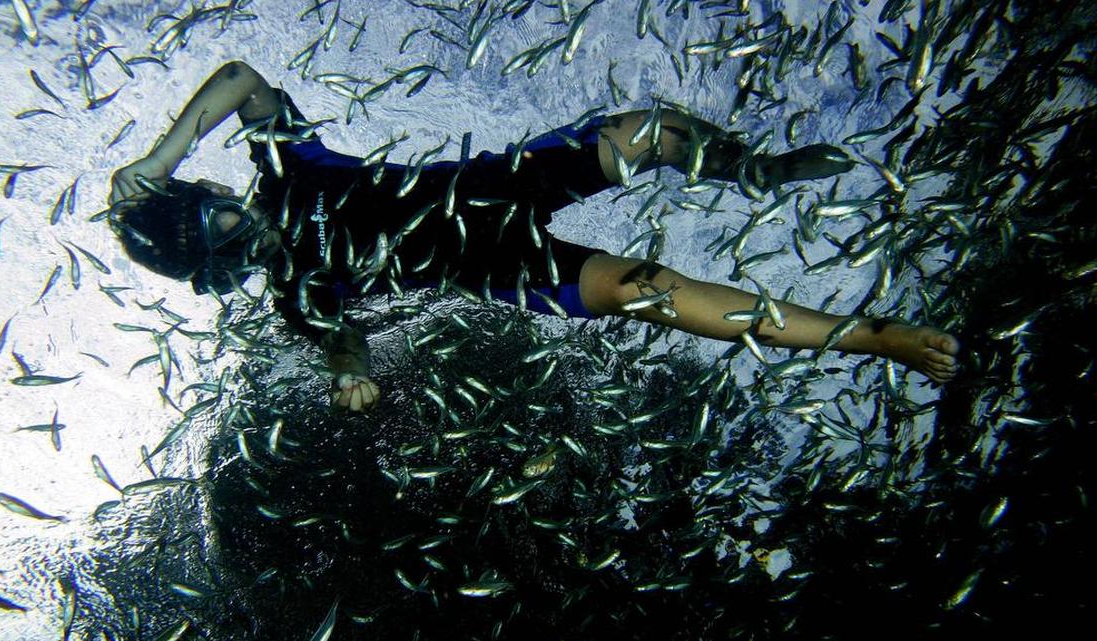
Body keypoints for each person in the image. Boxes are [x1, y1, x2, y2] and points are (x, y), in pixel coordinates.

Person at [108, 61, 959, 414]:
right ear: (212, 276)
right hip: (495, 265)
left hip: (496, 184)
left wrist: (156, 155)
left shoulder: (284, 170)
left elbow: (241, 81)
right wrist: (354, 379)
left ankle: (755, 172)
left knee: (651, 130)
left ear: (213, 186)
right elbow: (343, 350)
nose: (240, 236)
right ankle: (880, 341)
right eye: (222, 252)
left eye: (220, 218)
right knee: (645, 292)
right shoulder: (297, 297)